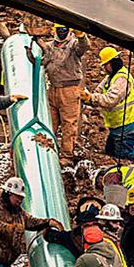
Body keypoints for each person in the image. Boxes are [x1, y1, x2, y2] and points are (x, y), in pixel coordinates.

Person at [83, 47, 134, 164]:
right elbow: (99, 90)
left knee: (124, 152)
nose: (104, 68)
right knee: (111, 150)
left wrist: (91, 98)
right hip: (118, 125)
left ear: (112, 63)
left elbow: (110, 100)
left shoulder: (122, 79)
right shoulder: (111, 77)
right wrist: (88, 97)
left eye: (105, 65)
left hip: (129, 122)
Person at [40, 25, 89, 164]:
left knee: (69, 125)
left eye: (64, 29)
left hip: (69, 89)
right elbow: (41, 58)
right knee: (50, 122)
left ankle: (66, 156)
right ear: (55, 30)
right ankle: (48, 150)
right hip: (53, 88)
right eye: (59, 29)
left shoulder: (73, 44)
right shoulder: (50, 46)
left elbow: (84, 46)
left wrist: (81, 35)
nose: (62, 31)